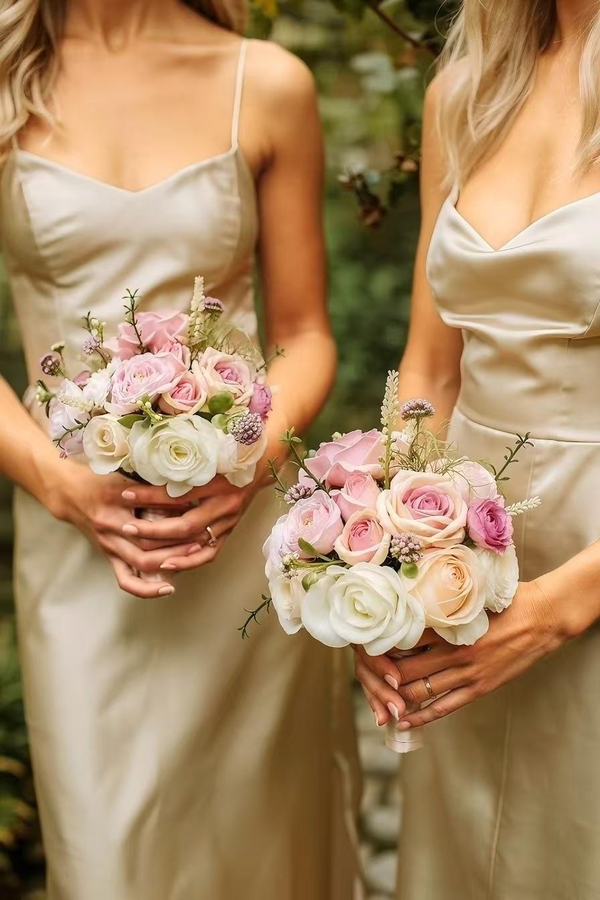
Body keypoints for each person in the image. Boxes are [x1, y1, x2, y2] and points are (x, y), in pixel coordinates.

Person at [0, 2, 361, 897]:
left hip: (238, 547)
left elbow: (305, 333)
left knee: (262, 848)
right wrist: (53, 479)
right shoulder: (8, 75)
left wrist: (250, 458)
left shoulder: (266, 81)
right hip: (74, 541)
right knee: (107, 854)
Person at [355, 0, 600, 897]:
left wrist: (563, 604)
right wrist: (379, 567)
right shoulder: (465, 90)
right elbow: (430, 366)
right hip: (465, 560)